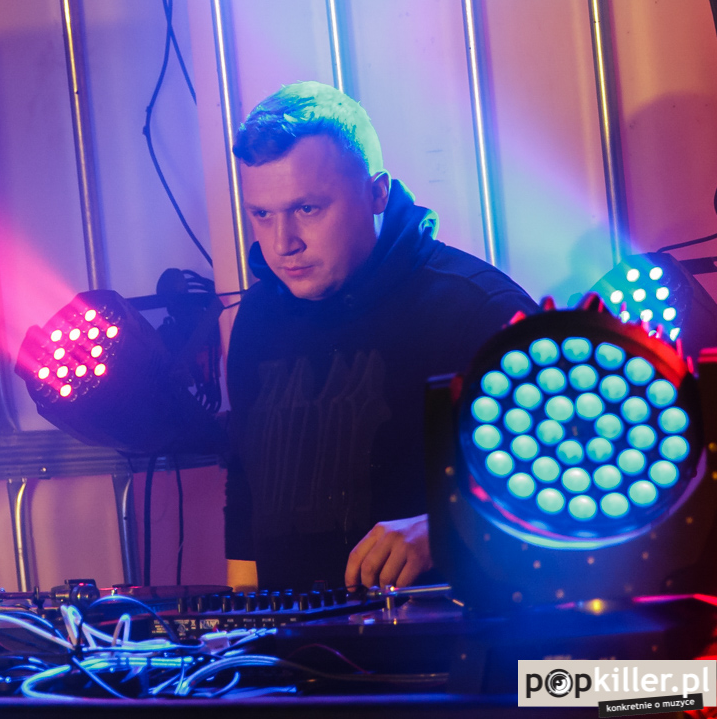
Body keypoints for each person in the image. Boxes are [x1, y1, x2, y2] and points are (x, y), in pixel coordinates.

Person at [223, 82, 537, 592]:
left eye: (307, 209)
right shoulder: (257, 315)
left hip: (445, 636)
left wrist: (441, 531)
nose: (283, 244)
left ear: (377, 194)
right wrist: (238, 621)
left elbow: (571, 487)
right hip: (286, 639)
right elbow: (245, 487)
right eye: (262, 215)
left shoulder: (480, 310)